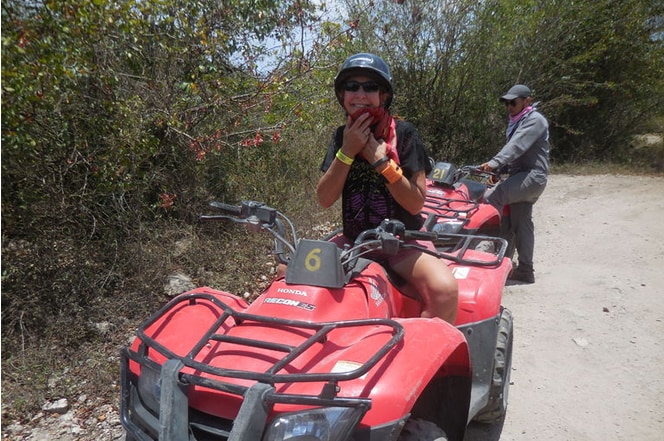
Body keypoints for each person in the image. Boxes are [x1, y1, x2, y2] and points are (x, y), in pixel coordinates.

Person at [316, 53, 458, 324]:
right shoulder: (340, 136)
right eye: (352, 86)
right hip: (354, 241)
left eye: (370, 87)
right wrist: (347, 151)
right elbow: (325, 198)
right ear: (342, 94)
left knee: (444, 291)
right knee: (288, 270)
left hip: (403, 243)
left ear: (383, 95)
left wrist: (382, 162)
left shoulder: (405, 134)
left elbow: (416, 204)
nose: (360, 93)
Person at [480, 84, 550, 284]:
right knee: (521, 223)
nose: (509, 107)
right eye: (507, 103)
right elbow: (517, 154)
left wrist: (494, 163)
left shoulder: (535, 120)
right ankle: (525, 270)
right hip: (523, 176)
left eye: (513, 102)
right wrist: (499, 171)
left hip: (532, 176)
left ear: (527, 101)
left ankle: (488, 257)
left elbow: (516, 146)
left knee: (491, 198)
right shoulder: (519, 121)